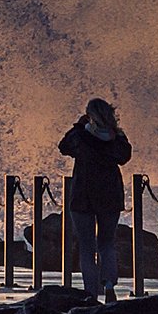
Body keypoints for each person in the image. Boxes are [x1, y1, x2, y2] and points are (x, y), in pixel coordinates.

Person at [58, 97, 132, 300]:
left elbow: (64, 146)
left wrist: (79, 125)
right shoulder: (116, 137)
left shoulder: (81, 136)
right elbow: (125, 156)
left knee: (86, 246)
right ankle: (108, 284)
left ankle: (91, 291)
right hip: (109, 195)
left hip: (83, 196)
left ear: (89, 115)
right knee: (107, 243)